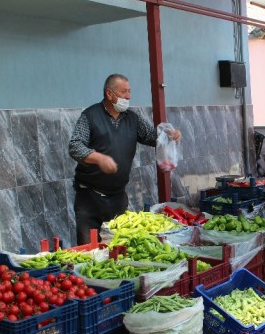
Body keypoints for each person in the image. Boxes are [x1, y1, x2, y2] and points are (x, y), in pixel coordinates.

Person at [69, 73, 181, 245]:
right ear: (109, 94)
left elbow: (153, 137)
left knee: (118, 247)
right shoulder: (90, 116)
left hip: (117, 198)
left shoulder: (132, 119)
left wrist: (170, 135)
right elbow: (75, 146)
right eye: (123, 92)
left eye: (129, 91)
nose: (128, 96)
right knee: (89, 249)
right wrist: (99, 158)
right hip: (89, 198)